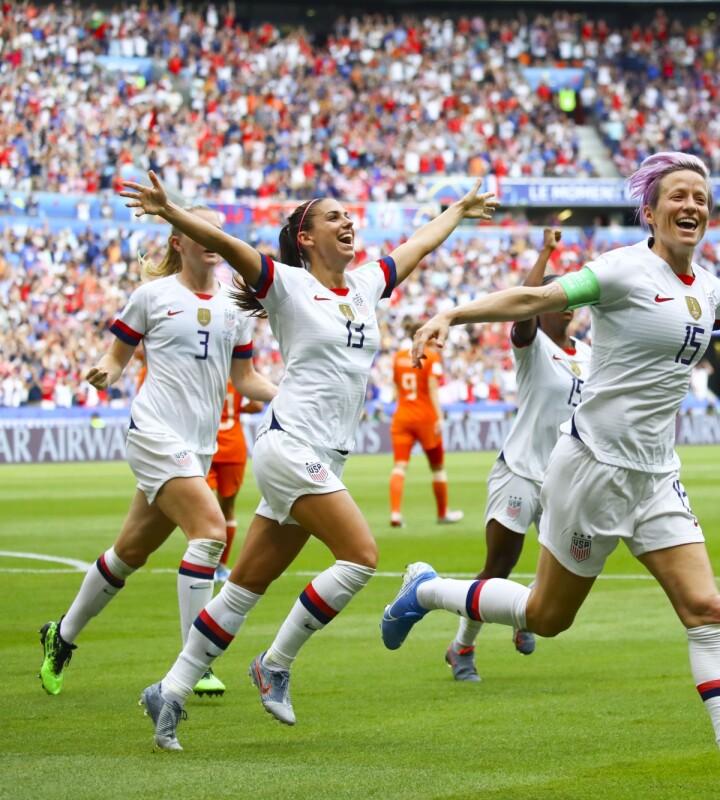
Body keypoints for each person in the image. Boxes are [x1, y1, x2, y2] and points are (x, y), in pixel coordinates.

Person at [380, 153, 720, 799]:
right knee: (545, 617)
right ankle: (426, 590)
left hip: (657, 476)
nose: (691, 206)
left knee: (706, 608)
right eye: (677, 195)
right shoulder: (624, 269)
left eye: (700, 198)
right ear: (649, 211)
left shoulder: (707, 288)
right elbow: (538, 298)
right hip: (591, 468)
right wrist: (455, 313)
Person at [119, 171, 498, 750]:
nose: (348, 221)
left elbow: (418, 244)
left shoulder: (367, 284)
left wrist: (461, 209)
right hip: (290, 443)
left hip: (324, 454)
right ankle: (275, 663)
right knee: (360, 557)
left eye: (350, 215)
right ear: (305, 237)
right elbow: (228, 246)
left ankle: (169, 689)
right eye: (333, 216)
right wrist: (170, 211)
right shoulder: (287, 286)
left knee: (246, 584)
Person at [38, 206, 276, 700]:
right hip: (153, 433)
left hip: (198, 446)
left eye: (214, 230)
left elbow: (246, 380)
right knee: (210, 533)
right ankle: (194, 664)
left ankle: (60, 636)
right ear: (177, 242)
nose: (208, 238)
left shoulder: (235, 305)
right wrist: (107, 371)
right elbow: (116, 355)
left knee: (128, 554)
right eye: (196, 230)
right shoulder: (152, 297)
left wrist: (293, 394)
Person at [445, 227, 591, 682]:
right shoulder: (533, 346)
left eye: (567, 295)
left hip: (563, 478)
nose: (565, 301)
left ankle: (523, 613)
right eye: (554, 295)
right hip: (520, 471)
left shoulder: (589, 355)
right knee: (498, 565)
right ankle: (461, 648)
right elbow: (524, 303)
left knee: (563, 567)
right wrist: (546, 253)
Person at [388, 326, 463, 528]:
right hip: (425, 418)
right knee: (437, 468)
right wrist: (439, 417)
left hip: (402, 416)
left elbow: (396, 386)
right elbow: (432, 389)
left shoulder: (397, 357)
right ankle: (442, 513)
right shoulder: (431, 357)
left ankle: (395, 513)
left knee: (399, 467)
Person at [206, 380, 265, 583]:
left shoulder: (210, 373)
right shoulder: (238, 378)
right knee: (228, 508)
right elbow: (257, 405)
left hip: (207, 446)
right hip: (233, 448)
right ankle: (221, 567)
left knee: (202, 509)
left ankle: (203, 565)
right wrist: (238, 409)